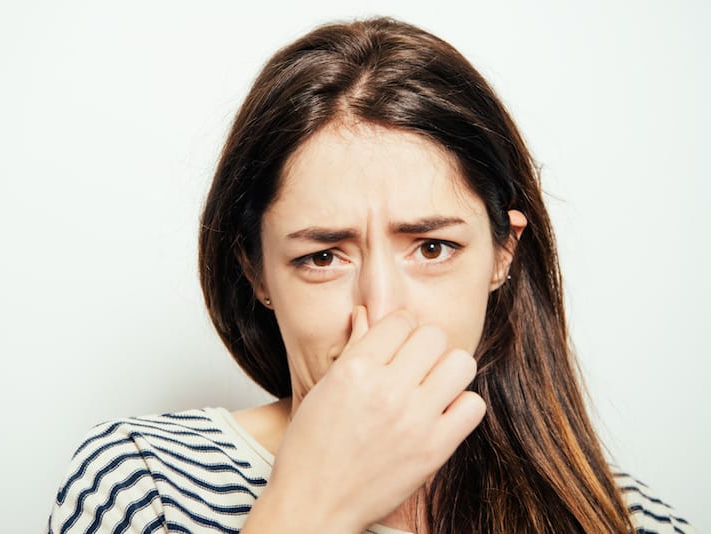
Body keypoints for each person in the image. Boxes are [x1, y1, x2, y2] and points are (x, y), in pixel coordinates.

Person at [47, 17, 694, 534]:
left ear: (503, 253)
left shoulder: (622, 520)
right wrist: (310, 507)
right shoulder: (143, 485)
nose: (382, 312)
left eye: (433, 248)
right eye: (322, 257)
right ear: (257, 270)